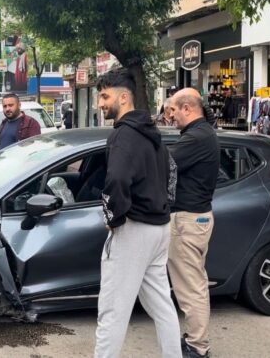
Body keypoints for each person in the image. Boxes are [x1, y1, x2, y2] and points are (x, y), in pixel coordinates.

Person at [94, 67, 181, 358]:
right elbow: (171, 172)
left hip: (134, 229)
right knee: (162, 305)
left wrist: (113, 217)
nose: (101, 103)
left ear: (123, 97)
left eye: (105, 96)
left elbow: (116, 180)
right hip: (159, 228)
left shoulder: (123, 136)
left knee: (112, 310)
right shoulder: (151, 133)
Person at [167, 88, 220, 358]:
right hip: (195, 218)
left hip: (188, 220)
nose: (171, 116)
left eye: (173, 110)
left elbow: (163, 164)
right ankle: (194, 340)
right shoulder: (202, 134)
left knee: (190, 288)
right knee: (193, 283)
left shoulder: (197, 138)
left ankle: (198, 347)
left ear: (187, 108)